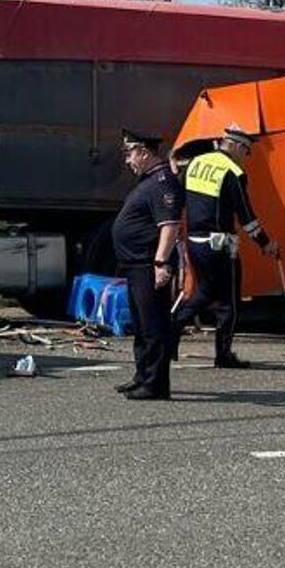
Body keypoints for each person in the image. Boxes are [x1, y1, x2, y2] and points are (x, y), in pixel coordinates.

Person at [178, 125, 278, 368]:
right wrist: (265, 243)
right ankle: (223, 355)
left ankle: (170, 335)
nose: (245, 155)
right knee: (228, 301)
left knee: (204, 292)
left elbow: (181, 198)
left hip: (195, 242)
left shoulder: (195, 163)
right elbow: (246, 216)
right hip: (220, 245)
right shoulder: (232, 171)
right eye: (245, 149)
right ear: (233, 144)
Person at [110, 129, 181, 401]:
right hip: (135, 263)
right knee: (141, 324)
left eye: (130, 154)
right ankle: (142, 376)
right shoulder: (148, 181)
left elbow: (169, 225)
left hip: (148, 264)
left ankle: (155, 384)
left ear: (144, 151)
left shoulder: (162, 182)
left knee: (153, 325)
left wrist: (161, 262)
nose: (128, 160)